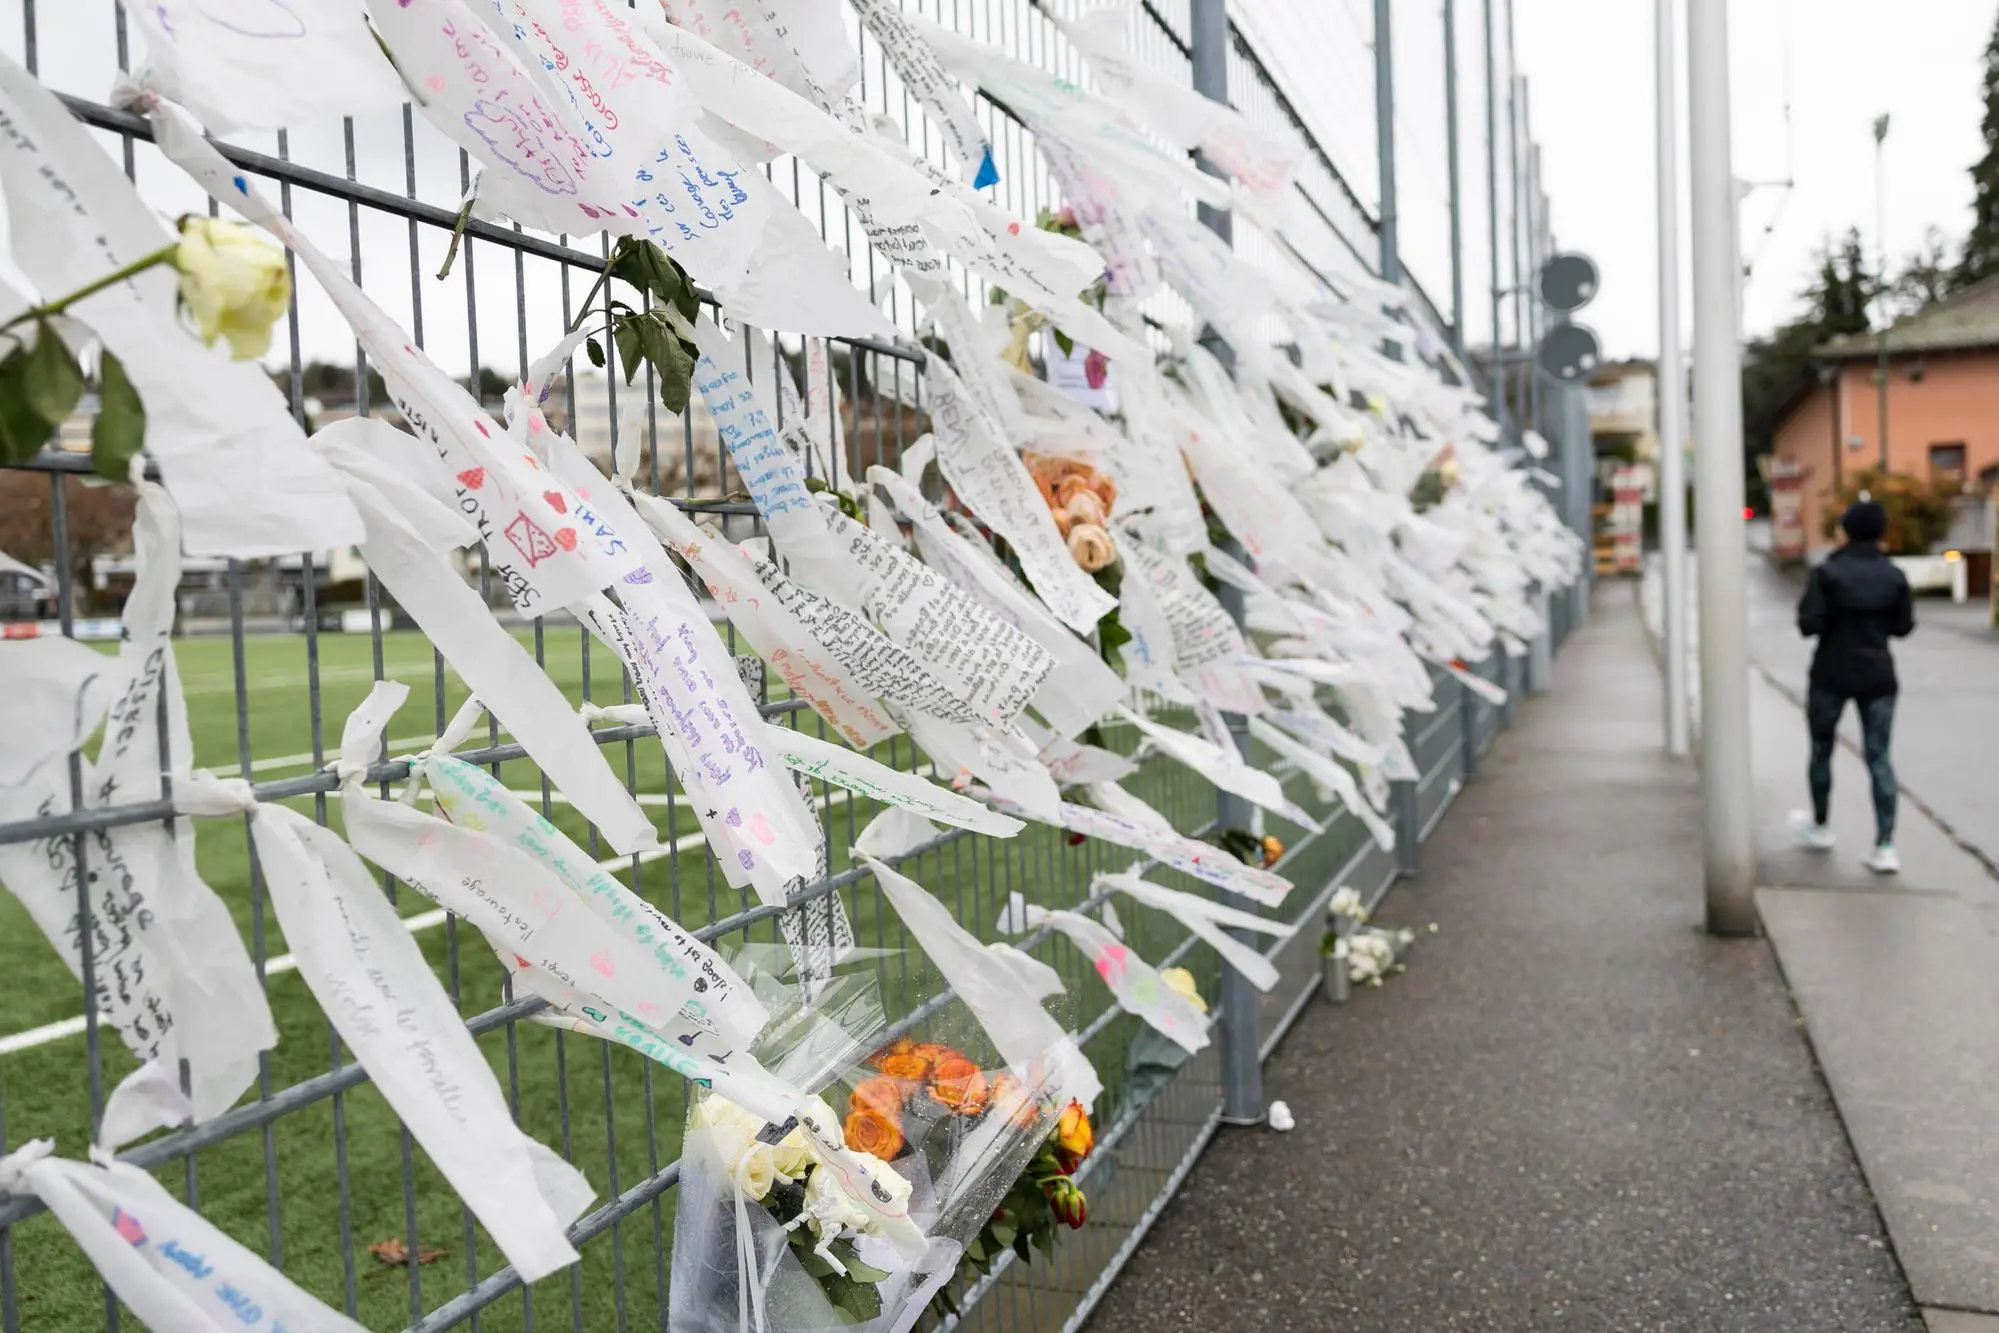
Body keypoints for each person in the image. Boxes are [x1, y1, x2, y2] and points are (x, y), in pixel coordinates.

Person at [1789, 498, 1915, 872]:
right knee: (1879, 756)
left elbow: (1807, 624)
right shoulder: (1894, 575)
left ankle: (1822, 826)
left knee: (1821, 748)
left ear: (1845, 530)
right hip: (1879, 675)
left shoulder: (1828, 573)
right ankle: (1886, 845)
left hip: (1831, 672)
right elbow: (1903, 627)